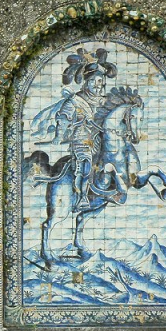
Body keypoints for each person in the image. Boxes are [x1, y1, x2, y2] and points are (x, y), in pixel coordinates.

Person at [31, 48, 117, 211]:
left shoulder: (107, 101)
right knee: (85, 162)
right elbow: (63, 119)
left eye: (100, 82)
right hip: (82, 141)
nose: (98, 86)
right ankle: (82, 197)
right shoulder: (74, 102)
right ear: (86, 82)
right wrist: (59, 135)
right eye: (93, 82)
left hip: (103, 141)